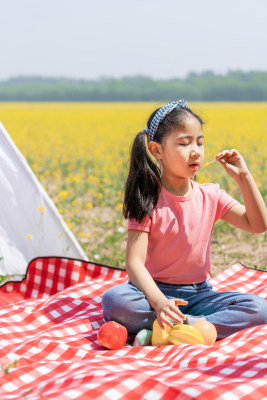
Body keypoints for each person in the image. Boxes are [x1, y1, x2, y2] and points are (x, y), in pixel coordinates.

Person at [102, 100, 267, 340]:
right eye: (184, 143)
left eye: (200, 142)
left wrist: (244, 177)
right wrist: (159, 301)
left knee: (259, 308)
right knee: (115, 301)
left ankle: (175, 328)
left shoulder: (211, 195)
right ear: (157, 150)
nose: (196, 151)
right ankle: (188, 329)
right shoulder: (148, 198)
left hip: (199, 295)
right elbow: (134, 264)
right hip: (151, 292)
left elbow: (258, 224)